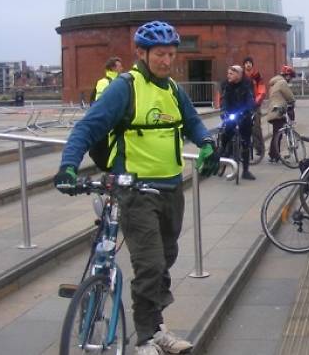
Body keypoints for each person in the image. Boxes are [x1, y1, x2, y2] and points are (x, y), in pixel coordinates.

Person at [53, 20, 220, 355]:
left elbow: (193, 122)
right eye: (159, 54)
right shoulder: (125, 88)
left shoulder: (173, 89)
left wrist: (207, 144)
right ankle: (145, 338)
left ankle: (156, 326)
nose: (166, 60)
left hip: (172, 188)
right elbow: (88, 127)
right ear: (141, 53)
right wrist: (68, 165)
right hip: (136, 190)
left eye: (171, 54)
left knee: (166, 258)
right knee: (150, 264)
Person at [219, 65, 257, 180]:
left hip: (243, 114)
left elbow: (250, 100)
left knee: (246, 141)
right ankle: (221, 159)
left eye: (231, 74)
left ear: (239, 74)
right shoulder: (226, 84)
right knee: (225, 136)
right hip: (231, 113)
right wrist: (224, 110)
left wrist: (248, 111)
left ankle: (245, 171)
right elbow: (224, 99)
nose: (228, 76)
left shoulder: (247, 83)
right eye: (228, 73)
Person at [265, 65, 297, 163]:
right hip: (279, 111)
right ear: (287, 75)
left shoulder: (274, 83)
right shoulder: (282, 82)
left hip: (273, 111)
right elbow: (290, 97)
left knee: (276, 134)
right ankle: (275, 155)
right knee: (278, 134)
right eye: (290, 77)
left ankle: (273, 155)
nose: (290, 79)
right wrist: (292, 101)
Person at [243, 56, 266, 155]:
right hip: (243, 106)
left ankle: (260, 149)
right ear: (244, 65)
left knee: (256, 127)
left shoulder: (257, 76)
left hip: (255, 105)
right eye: (246, 63)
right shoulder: (241, 76)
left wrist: (256, 101)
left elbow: (262, 90)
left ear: (252, 65)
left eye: (250, 63)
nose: (248, 64)